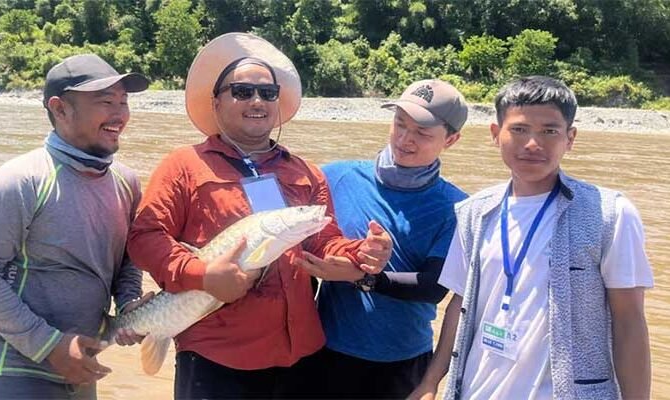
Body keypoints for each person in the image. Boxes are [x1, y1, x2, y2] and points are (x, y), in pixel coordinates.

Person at [126, 32, 392, 399]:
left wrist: (361, 254)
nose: (256, 101)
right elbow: (145, 238)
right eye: (241, 91)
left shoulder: (307, 173)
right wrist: (201, 274)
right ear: (215, 102)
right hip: (216, 358)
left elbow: (324, 242)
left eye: (268, 93)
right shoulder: (183, 166)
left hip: (300, 356)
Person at [413, 76, 653, 400]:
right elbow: (459, 303)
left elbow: (630, 321)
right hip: (474, 390)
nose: (532, 144)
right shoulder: (474, 213)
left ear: (570, 138)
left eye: (549, 131)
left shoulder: (610, 214)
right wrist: (430, 383)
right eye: (520, 129)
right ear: (496, 135)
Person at [0, 54, 153, 399]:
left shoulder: (126, 182)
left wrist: (127, 307)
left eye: (124, 102)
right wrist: (49, 346)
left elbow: (126, 262)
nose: (120, 114)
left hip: (79, 365)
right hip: (13, 369)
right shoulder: (19, 180)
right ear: (60, 109)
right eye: (106, 102)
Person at [295, 79, 468, 399]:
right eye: (400, 124)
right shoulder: (334, 177)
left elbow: (434, 288)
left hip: (403, 361)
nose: (405, 139)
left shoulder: (457, 207)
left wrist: (363, 277)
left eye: (422, 133)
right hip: (327, 350)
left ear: (452, 139)